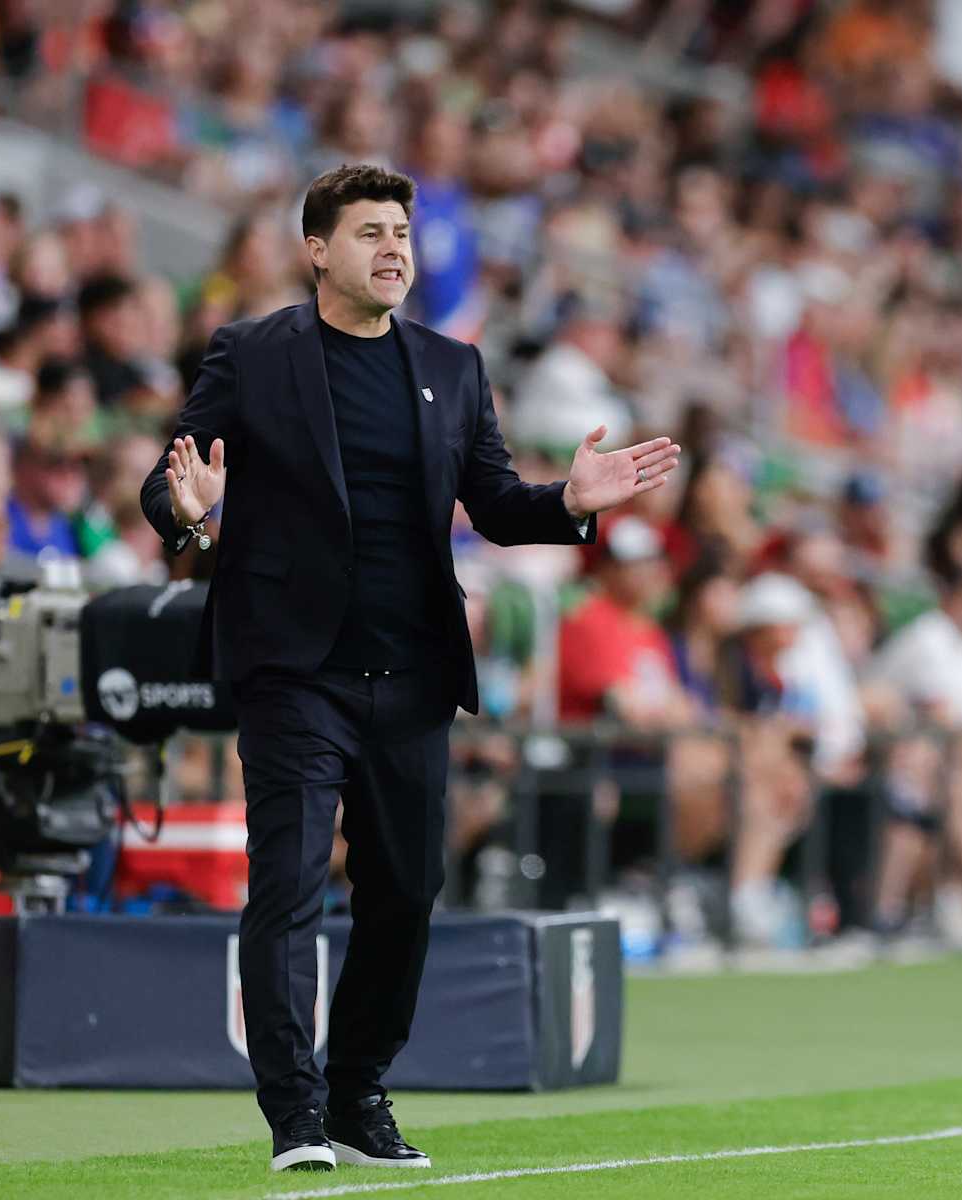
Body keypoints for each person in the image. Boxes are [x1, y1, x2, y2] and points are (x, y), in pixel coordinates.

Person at [141, 164, 680, 1173]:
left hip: (414, 672)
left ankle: (358, 1092)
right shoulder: (252, 356)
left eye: (402, 232)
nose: (393, 249)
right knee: (291, 889)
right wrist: (192, 504)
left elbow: (493, 504)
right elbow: (162, 486)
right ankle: (295, 1113)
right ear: (317, 252)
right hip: (295, 671)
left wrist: (569, 500)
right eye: (369, 233)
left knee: (404, 892)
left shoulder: (453, 366)